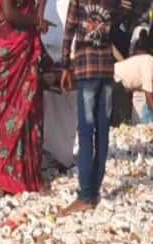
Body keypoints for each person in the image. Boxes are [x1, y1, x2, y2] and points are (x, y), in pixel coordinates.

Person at [60, 0, 120, 213]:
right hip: (106, 70)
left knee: (86, 133)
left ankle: (85, 196)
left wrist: (65, 65)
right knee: (102, 133)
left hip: (86, 70)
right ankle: (94, 192)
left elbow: (69, 31)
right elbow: (116, 28)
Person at [0, 0, 46, 194]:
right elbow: (9, 13)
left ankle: (26, 174)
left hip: (23, 49)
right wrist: (36, 20)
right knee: (12, 111)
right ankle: (11, 176)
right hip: (12, 50)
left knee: (28, 109)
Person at [114, 35, 153, 124]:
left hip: (120, 84)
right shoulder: (149, 64)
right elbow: (149, 97)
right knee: (122, 122)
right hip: (115, 81)